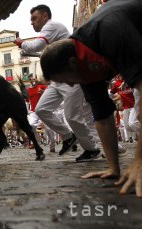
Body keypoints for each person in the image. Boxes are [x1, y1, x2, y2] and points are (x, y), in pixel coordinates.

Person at [39, 0, 142, 197]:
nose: (70, 86)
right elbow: (102, 115)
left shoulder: (109, 32)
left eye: (66, 80)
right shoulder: (81, 64)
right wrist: (113, 168)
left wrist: (139, 162)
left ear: (71, 63)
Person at [13, 4, 100, 162]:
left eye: (34, 18)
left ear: (45, 16)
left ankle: (92, 149)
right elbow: (42, 52)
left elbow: (36, 45)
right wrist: (28, 52)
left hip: (70, 77)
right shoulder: (52, 33)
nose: (31, 23)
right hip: (58, 79)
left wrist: (21, 43)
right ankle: (68, 136)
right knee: (41, 109)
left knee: (73, 116)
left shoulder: (51, 26)